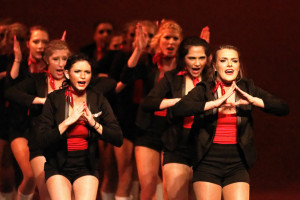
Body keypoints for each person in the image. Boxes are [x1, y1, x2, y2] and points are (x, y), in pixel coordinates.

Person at [172, 45, 289, 200]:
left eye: (234, 61)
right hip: (208, 162)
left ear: (239, 66)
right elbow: (179, 109)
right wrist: (213, 104)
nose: (229, 64)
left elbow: (283, 108)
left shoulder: (247, 88)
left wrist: (255, 100)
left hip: (237, 164)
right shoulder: (205, 89)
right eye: (224, 60)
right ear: (214, 65)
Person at [37, 53, 123, 200]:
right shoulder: (54, 99)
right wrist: (67, 122)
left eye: (87, 72)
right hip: (58, 165)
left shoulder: (98, 99)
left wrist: (94, 123)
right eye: (77, 72)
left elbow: (117, 138)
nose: (83, 76)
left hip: (86, 166)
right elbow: (42, 139)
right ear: (67, 74)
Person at [141, 36, 211, 200]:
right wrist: (179, 102)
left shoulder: (212, 79)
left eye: (201, 58)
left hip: (205, 148)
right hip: (176, 146)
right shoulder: (173, 77)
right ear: (183, 58)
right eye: (191, 58)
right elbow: (148, 102)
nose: (197, 63)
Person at [120, 20, 182, 200]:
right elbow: (126, 75)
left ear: (180, 42)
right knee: (147, 187)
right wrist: (138, 51)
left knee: (171, 190)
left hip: (172, 131)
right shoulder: (148, 64)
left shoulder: (183, 68)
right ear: (158, 40)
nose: (170, 42)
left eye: (175, 38)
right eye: (167, 37)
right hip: (147, 130)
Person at [5, 39, 71, 200]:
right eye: (56, 59)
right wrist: (40, 100)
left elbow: (107, 85)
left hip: (67, 143)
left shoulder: (75, 81)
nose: (61, 63)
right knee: (45, 190)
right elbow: (11, 92)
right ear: (47, 60)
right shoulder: (38, 80)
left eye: (65, 59)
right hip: (40, 142)